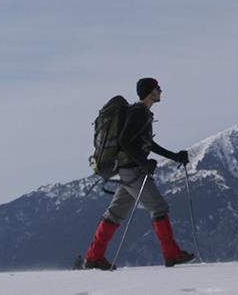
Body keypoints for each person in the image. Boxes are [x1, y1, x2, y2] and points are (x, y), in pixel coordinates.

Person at [83, 78, 196, 270]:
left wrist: (174, 156)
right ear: (150, 92)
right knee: (159, 207)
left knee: (115, 213)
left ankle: (94, 256)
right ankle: (171, 253)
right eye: (157, 88)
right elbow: (125, 140)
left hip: (128, 169)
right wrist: (143, 162)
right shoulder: (139, 113)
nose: (160, 91)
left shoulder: (140, 113)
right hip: (132, 170)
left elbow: (145, 143)